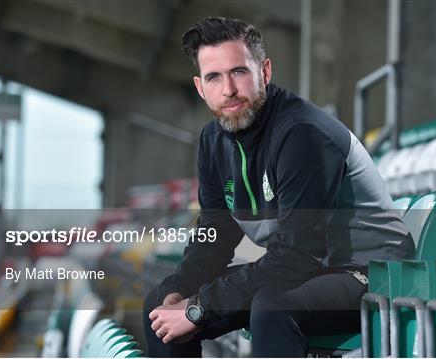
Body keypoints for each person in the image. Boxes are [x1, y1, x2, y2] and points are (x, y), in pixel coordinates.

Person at [144, 17, 414, 357]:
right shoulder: (213, 142)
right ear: (200, 87)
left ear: (265, 72)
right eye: (214, 77)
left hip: (372, 271)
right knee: (159, 306)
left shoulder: (302, 133)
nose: (228, 90)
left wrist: (199, 308)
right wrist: (180, 290)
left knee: (271, 307)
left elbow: (298, 253)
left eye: (239, 72)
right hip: (312, 269)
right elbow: (213, 237)